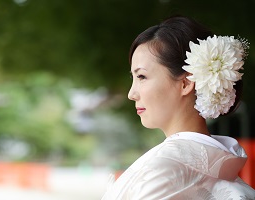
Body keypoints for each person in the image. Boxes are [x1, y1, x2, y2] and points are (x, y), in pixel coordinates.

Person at [101, 15, 255, 199]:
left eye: (141, 77)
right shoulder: (228, 173)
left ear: (186, 83)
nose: (131, 94)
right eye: (133, 78)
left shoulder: (162, 172)